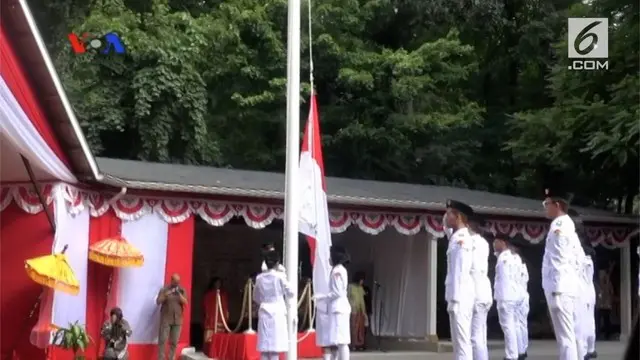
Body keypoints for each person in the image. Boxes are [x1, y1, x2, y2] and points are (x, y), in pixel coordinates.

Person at [541, 187, 583, 360]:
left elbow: (560, 258)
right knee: (566, 336)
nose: (545, 207)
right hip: (563, 286)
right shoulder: (565, 225)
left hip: (560, 288)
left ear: (557, 205)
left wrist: (557, 290)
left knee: (565, 337)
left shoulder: (560, 225)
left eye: (546, 203)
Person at [443, 199, 475, 360]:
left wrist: (455, 299)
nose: (446, 217)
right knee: (458, 343)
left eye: (449, 214)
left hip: (460, 297)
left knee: (462, 342)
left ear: (458, 217)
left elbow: (460, 271)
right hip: (456, 296)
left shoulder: (462, 239)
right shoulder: (455, 237)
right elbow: (445, 227)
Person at [253, 250, 294, 360]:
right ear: (277, 263)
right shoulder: (279, 276)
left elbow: (255, 297)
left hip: (264, 310)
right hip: (277, 311)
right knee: (275, 347)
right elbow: (291, 292)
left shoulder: (259, 278)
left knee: (265, 346)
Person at [492, 231, 523, 360]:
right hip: (515, 295)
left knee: (508, 326)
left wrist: (500, 296)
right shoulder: (515, 257)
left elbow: (503, 279)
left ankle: (511, 355)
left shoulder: (504, 257)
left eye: (496, 242)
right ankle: (518, 351)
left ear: (503, 243)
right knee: (515, 325)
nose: (493, 244)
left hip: (506, 296)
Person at [468, 215, 493, 360]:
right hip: (484, 292)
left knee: (475, 336)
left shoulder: (471, 242)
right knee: (480, 335)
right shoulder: (484, 242)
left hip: (475, 293)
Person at [156, 273, 188, 360]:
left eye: (178, 281)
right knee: (162, 340)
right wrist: (166, 295)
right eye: (175, 281)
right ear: (172, 280)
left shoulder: (182, 290)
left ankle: (171, 358)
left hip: (178, 320)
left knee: (174, 342)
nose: (177, 283)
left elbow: (185, 302)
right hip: (166, 319)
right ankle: (161, 358)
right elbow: (158, 301)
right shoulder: (164, 289)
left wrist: (179, 294)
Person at [203, 277, 229, 354]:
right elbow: (206, 305)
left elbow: (225, 306)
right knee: (209, 335)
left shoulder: (223, 294)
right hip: (211, 318)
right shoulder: (208, 294)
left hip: (221, 318)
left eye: (219, 283)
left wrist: (226, 314)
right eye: (216, 283)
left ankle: (220, 350)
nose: (218, 284)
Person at [348, 271, 368, 351]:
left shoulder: (361, 288)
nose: (362, 282)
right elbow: (348, 298)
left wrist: (364, 312)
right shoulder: (350, 286)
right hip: (353, 310)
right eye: (361, 280)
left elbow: (362, 300)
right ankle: (353, 345)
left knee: (361, 329)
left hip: (360, 311)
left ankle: (360, 344)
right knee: (353, 328)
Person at [515, 250, 530, 360]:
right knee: (522, 324)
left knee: (517, 324)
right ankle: (523, 348)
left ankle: (520, 349)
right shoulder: (524, 268)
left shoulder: (517, 266)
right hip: (524, 295)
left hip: (518, 295)